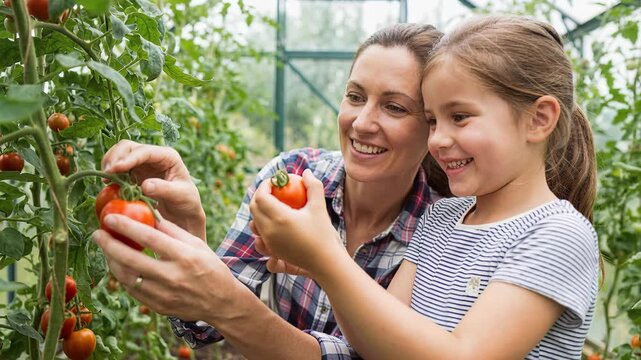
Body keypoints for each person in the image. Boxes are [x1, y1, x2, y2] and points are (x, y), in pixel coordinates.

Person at [250, 15, 600, 359]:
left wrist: (327, 259)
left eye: (459, 117)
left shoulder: (558, 235)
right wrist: (317, 263)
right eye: (432, 120)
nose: (439, 140)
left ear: (538, 119)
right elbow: (377, 344)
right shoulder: (441, 218)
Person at [93, 23, 451, 358]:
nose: (361, 122)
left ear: (432, 125)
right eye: (355, 96)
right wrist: (188, 230)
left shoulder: (446, 232)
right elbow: (202, 327)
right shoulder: (290, 176)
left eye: (394, 107)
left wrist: (228, 305)